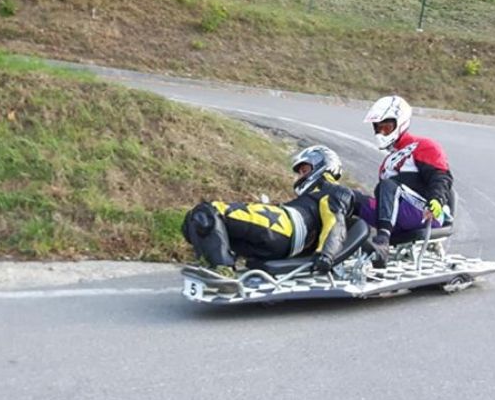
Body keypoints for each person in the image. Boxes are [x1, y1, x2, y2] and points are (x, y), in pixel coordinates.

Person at [181, 145, 361, 277]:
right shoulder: (312, 196)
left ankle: (222, 270)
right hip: (279, 238)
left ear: (323, 165)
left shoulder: (333, 191)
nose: (300, 176)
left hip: (284, 226)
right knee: (193, 222)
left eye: (304, 170)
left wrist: (326, 255)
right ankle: (214, 264)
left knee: (209, 212)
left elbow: (334, 222)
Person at [359, 95, 454, 266]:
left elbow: (441, 176)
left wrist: (437, 199)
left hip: (426, 211)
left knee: (389, 186)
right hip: (396, 215)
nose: (381, 133)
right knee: (346, 197)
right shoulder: (387, 162)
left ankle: (382, 243)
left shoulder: (423, 146)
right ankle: (335, 249)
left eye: (386, 127)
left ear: (400, 123)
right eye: (378, 128)